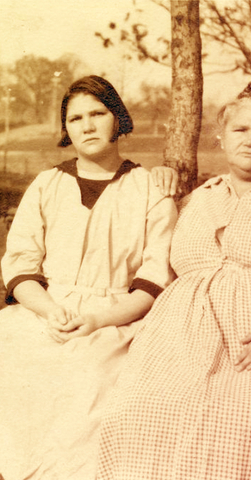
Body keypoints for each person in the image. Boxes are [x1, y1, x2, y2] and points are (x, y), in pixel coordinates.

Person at [0, 75, 178, 480]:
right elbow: (20, 266)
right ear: (66, 128)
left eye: (98, 113)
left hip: (115, 319)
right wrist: (49, 309)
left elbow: (153, 280)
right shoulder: (47, 184)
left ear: (118, 119)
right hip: (43, 311)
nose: (87, 126)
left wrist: (97, 320)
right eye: (75, 119)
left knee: (86, 383)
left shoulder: (148, 188)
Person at [96, 84, 251, 480]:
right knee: (133, 414)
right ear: (222, 135)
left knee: (233, 429)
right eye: (241, 130)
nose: (250, 141)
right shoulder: (199, 196)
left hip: (244, 345)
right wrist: (161, 177)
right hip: (175, 343)